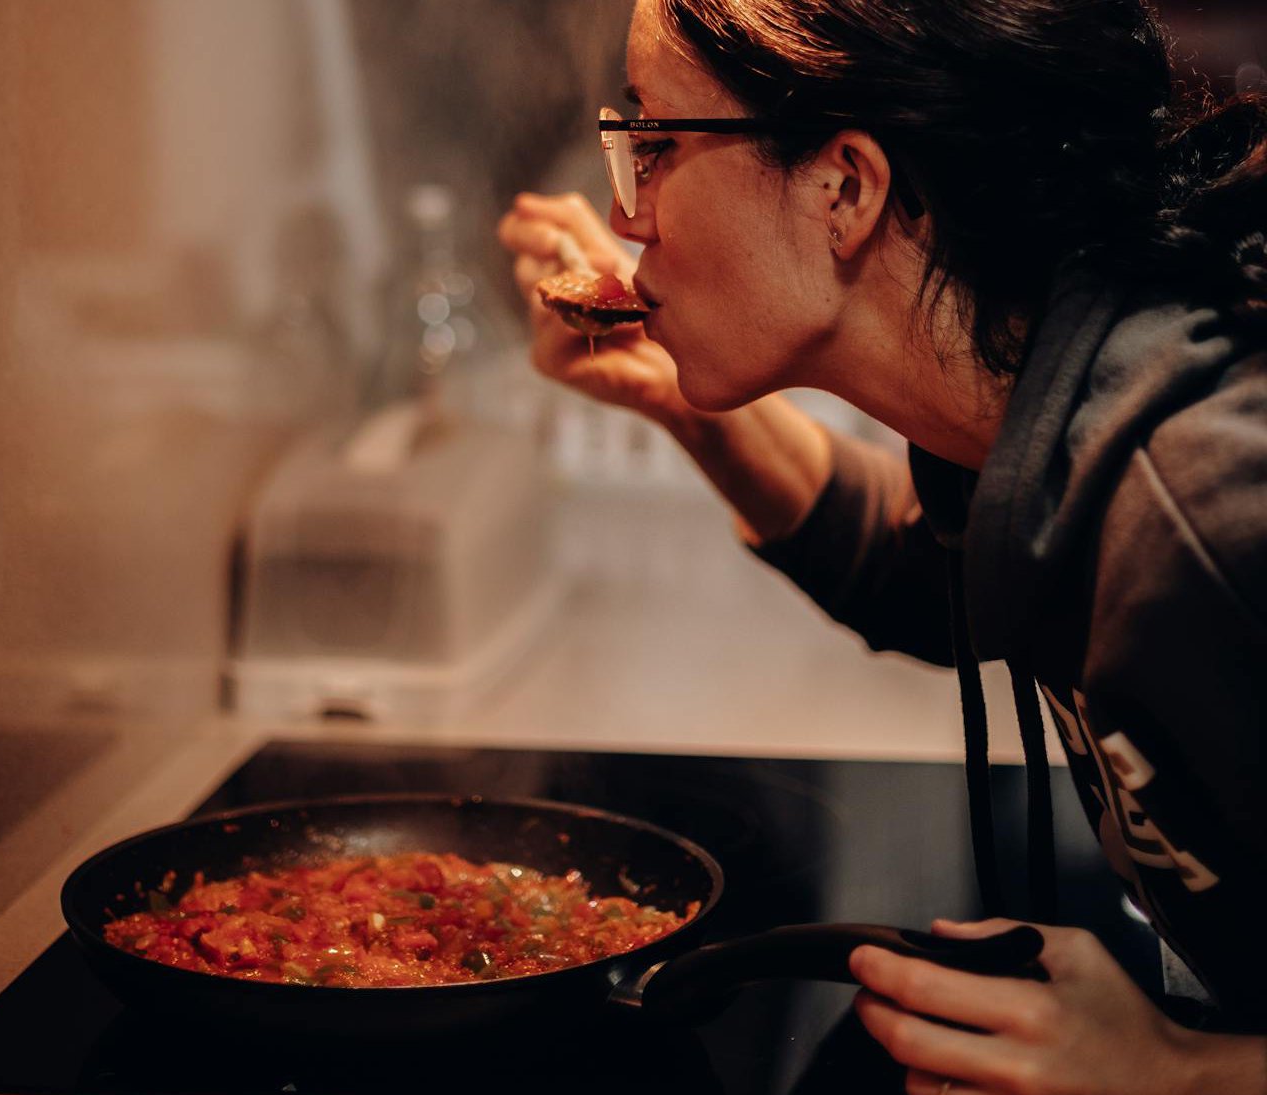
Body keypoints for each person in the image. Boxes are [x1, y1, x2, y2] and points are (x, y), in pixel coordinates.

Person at [498, 0, 1267, 1091]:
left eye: (656, 145)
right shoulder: (1043, 407)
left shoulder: (1212, 503)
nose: (628, 218)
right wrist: (680, 403)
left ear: (842, 187)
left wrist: (1177, 1073)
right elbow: (924, 575)